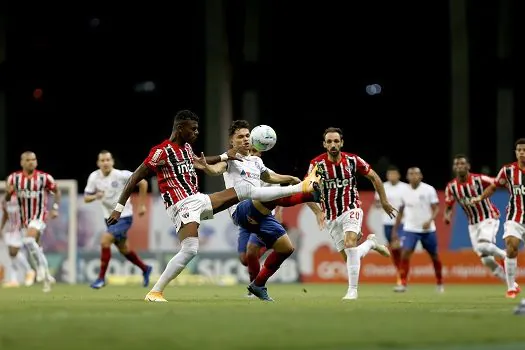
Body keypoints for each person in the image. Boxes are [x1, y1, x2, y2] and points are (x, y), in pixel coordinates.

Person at [106, 110, 322, 302]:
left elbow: (199, 161)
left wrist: (218, 157)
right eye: (193, 129)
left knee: (243, 193)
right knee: (190, 249)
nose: (197, 132)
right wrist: (118, 207)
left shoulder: (188, 148)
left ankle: (301, 190)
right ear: (180, 128)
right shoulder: (162, 151)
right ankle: (155, 292)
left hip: (198, 199)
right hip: (181, 204)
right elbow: (135, 176)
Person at [202, 120, 322, 301]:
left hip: (261, 211)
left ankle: (258, 285)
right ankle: (309, 194)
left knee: (286, 248)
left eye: (247, 136)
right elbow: (215, 170)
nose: (245, 139)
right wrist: (207, 167)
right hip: (241, 210)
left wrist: (291, 178)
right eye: (240, 137)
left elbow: (269, 176)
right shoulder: (229, 160)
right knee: (262, 196)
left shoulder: (256, 161)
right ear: (232, 141)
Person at [305, 127, 396, 300]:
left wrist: (383, 201)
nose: (333, 144)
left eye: (336, 141)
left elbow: (375, 177)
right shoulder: (317, 165)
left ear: (342, 143)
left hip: (351, 208)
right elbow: (305, 190)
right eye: (329, 141)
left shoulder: (352, 160)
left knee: (350, 242)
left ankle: (352, 290)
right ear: (324, 144)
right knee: (349, 255)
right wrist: (317, 211)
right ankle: (370, 244)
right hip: (331, 215)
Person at [444, 154, 517, 290]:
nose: (459, 166)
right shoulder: (451, 187)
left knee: (483, 245)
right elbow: (448, 205)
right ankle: (512, 285)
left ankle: (506, 255)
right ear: (454, 167)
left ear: (468, 166)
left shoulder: (479, 179)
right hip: (473, 224)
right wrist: (447, 216)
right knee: (486, 260)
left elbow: (497, 183)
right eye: (457, 164)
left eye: (462, 163)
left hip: (488, 217)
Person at [84, 150, 153, 289]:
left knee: (105, 241)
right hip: (108, 218)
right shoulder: (94, 177)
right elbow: (86, 198)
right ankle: (145, 268)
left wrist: (141, 205)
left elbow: (143, 183)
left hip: (124, 216)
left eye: (108, 160)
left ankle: (101, 278)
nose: (105, 163)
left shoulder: (121, 175)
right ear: (98, 163)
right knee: (124, 249)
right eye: (102, 160)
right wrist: (95, 196)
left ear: (112, 161)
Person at [473, 138, 525, 299]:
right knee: (511, 246)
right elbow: (494, 186)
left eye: (524, 150)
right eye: (519, 150)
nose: (522, 153)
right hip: (515, 215)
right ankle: (511, 287)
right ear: (516, 153)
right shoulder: (508, 170)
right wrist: (481, 197)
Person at [5, 151, 60, 292]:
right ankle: (46, 276)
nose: (31, 162)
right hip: (24, 220)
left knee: (29, 241)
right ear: (22, 162)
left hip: (39, 216)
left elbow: (57, 191)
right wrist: (7, 193)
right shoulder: (14, 178)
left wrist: (54, 208)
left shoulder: (44, 178)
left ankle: (40, 270)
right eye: (28, 160)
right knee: (35, 248)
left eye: (33, 159)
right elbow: (6, 199)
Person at [392, 167, 443, 293]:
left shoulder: (429, 189)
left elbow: (436, 208)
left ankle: (439, 282)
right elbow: (400, 211)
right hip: (410, 228)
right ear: (407, 177)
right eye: (411, 174)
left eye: (416, 174)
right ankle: (403, 283)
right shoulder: (404, 191)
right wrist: (395, 230)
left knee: (435, 256)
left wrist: (430, 220)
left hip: (428, 229)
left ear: (421, 176)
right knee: (405, 253)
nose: (414, 176)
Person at [374, 165, 409, 285]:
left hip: (402, 223)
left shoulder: (405, 187)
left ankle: (402, 275)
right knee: (394, 249)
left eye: (394, 174)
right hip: (387, 222)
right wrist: (381, 204)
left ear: (398, 175)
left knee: (398, 246)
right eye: (390, 174)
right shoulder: (382, 186)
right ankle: (400, 273)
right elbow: (377, 203)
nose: (392, 176)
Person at [0, 195, 35, 287]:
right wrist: (1, 227)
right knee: (12, 255)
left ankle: (29, 270)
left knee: (13, 252)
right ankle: (14, 279)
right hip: (9, 229)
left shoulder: (21, 197)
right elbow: (5, 215)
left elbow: (28, 213)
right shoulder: (5, 200)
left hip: (19, 229)